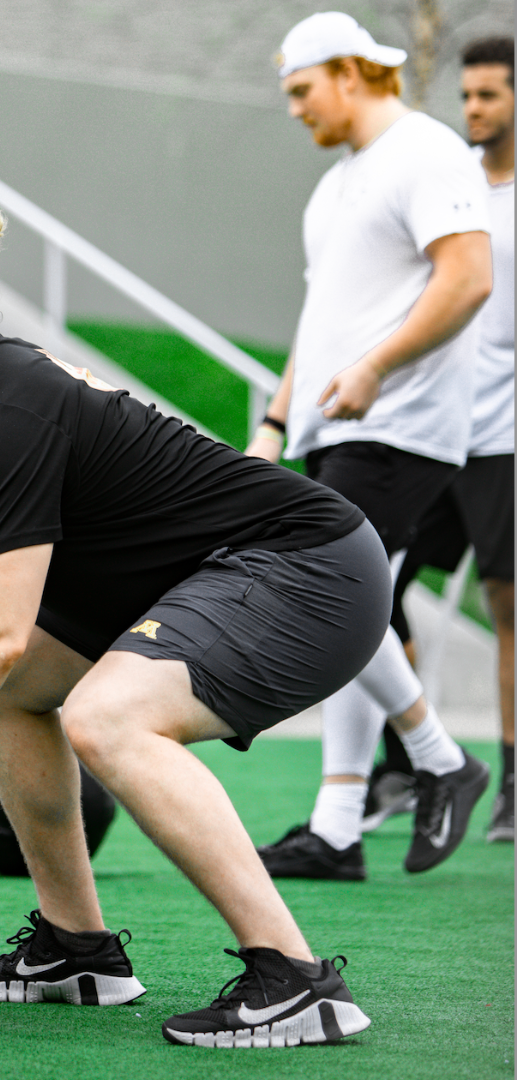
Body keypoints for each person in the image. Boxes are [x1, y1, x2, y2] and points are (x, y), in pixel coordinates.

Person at [0, 194, 395, 1048]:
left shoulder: (2, 417)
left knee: (107, 713)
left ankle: (295, 979)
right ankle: (76, 951)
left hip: (306, 567)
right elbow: (16, 599)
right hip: (249, 564)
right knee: (15, 690)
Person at [245, 12, 494, 880]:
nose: (293, 110)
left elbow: (470, 276)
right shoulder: (334, 188)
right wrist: (277, 422)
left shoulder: (426, 150)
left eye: (301, 91)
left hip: (399, 424)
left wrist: (377, 367)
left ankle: (438, 760)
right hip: (337, 426)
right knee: (356, 606)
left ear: (350, 74)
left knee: (334, 596)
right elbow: (321, 324)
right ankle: (340, 824)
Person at [367, 36, 515, 844]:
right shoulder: (451, 185)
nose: (474, 111)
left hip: (507, 441)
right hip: (436, 432)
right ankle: (409, 758)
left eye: (490, 96)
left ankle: (513, 783)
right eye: (468, 97)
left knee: (507, 606)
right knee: (371, 586)